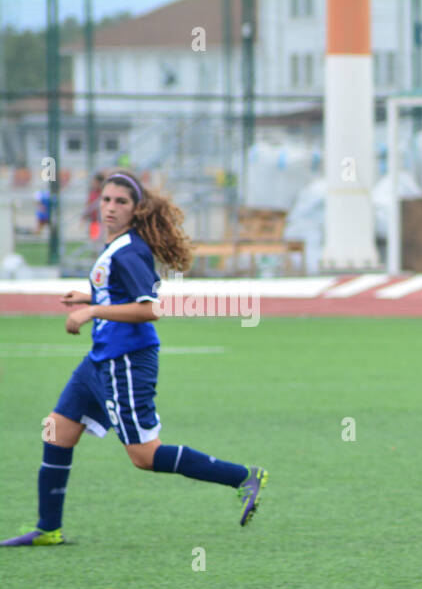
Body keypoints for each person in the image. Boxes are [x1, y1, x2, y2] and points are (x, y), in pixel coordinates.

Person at [2, 170, 267, 547]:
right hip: (100, 360)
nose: (110, 207)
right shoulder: (117, 245)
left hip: (127, 361)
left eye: (120, 202)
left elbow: (149, 309)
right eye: (106, 199)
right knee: (56, 430)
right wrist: (90, 298)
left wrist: (92, 313)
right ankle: (48, 529)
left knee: (144, 455)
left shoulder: (129, 251)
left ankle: (243, 476)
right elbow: (119, 297)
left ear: (136, 209)